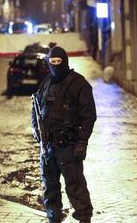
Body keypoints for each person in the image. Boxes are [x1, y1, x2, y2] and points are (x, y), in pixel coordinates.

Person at [31, 46, 96, 223]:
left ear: (65, 62)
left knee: (76, 187)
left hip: (69, 147)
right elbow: (35, 110)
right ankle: (54, 218)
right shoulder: (45, 83)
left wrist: (82, 142)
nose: (55, 65)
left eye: (59, 62)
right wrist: (37, 132)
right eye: (52, 62)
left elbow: (88, 117)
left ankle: (84, 219)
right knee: (50, 189)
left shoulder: (79, 84)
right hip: (48, 148)